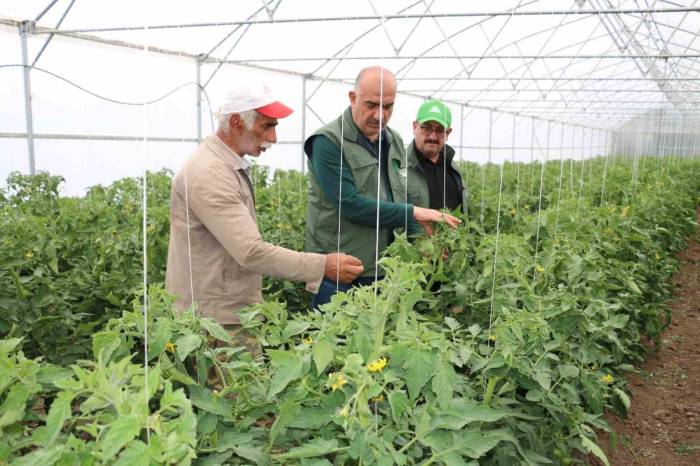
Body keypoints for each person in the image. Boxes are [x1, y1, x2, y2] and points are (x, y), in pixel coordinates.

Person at [165, 81, 364, 352]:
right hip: (216, 322)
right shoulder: (210, 173)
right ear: (236, 122)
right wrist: (322, 266)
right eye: (266, 126)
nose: (273, 138)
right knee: (236, 393)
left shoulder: (224, 165)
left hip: (226, 312)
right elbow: (250, 252)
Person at [304, 66, 460, 308]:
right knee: (336, 342)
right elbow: (350, 204)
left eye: (387, 106)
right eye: (371, 105)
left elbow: (400, 195)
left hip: (386, 271)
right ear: (352, 98)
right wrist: (414, 212)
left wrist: (422, 241)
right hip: (341, 273)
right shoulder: (328, 142)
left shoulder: (394, 141)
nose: (380, 115)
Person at [404, 99, 467, 214]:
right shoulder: (399, 166)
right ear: (415, 127)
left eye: (439, 130)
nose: (433, 136)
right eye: (426, 128)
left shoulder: (453, 169)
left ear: (448, 133)